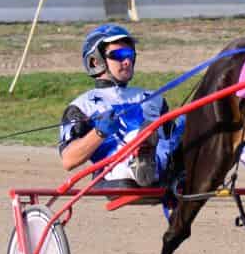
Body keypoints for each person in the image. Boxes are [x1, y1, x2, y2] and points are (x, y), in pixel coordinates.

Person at [60, 22, 175, 187]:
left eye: (129, 53)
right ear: (95, 61)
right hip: (116, 171)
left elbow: (170, 139)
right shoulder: (81, 107)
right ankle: (140, 158)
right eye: (119, 55)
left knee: (188, 123)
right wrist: (98, 133)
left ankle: (150, 158)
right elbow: (68, 160)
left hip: (165, 164)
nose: (127, 60)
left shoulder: (154, 98)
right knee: (139, 135)